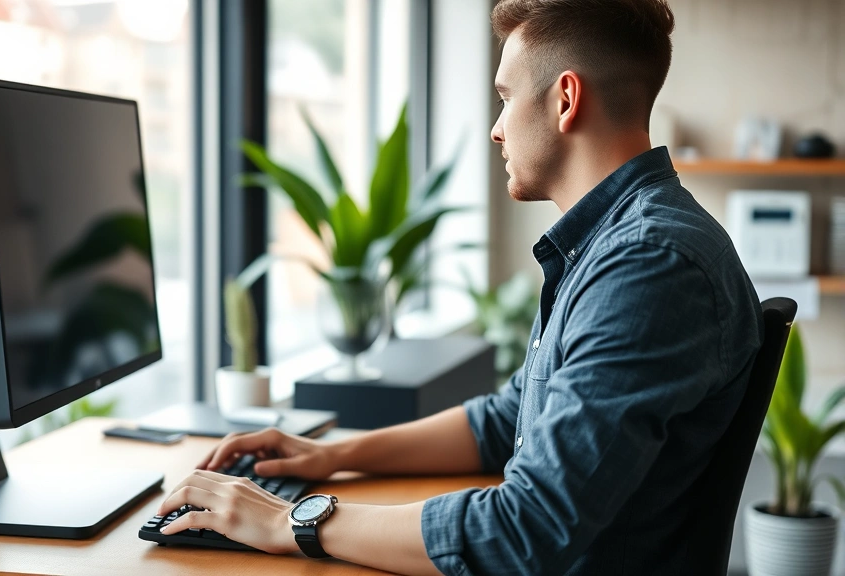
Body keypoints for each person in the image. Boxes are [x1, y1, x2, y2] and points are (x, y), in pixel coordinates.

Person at [157, 0, 764, 574]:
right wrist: (331, 456)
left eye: (505, 97)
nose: (497, 129)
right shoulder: (615, 243)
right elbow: (508, 419)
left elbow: (527, 529)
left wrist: (292, 519)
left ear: (566, 98)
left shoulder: (649, 264)